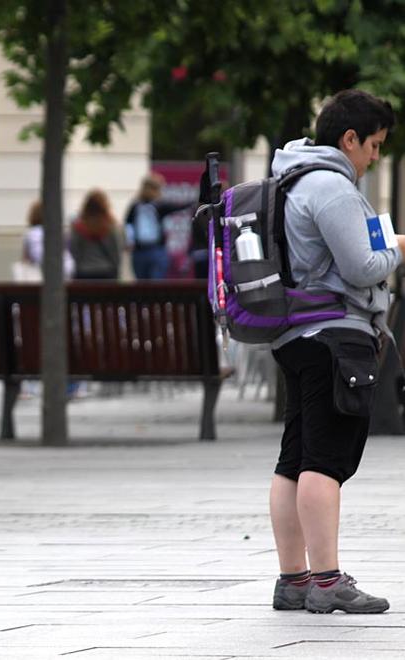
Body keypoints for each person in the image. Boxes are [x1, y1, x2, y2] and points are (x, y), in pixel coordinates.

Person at [268, 89, 400, 614]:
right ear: (349, 138)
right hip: (334, 337)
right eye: (373, 145)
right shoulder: (331, 186)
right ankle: (326, 580)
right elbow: (363, 267)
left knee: (294, 458)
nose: (374, 157)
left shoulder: (292, 177)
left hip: (294, 334)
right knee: (325, 459)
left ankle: (293, 578)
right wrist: (397, 249)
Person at [123, 173, 190, 280]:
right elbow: (128, 224)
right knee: (150, 284)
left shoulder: (153, 206)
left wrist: (130, 241)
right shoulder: (143, 206)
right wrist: (130, 241)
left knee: (151, 283)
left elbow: (128, 225)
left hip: (148, 250)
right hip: (148, 251)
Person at [70, 189, 120, 280]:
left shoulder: (79, 227)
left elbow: (74, 250)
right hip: (106, 271)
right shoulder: (109, 226)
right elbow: (115, 251)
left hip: (84, 272)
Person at [18, 199, 74, 280]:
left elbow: (25, 260)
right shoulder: (59, 232)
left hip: (41, 273)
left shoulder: (30, 234)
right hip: (65, 270)